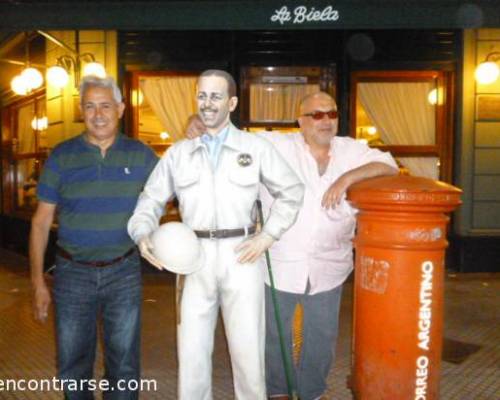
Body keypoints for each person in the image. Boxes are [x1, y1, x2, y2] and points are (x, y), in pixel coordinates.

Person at [186, 91, 399, 400]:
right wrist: (201, 124)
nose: (325, 120)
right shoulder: (277, 146)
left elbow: (389, 165)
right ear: (301, 121)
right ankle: (278, 392)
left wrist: (347, 178)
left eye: (332, 114)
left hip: (330, 265)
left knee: (322, 337)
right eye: (316, 115)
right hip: (280, 264)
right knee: (274, 336)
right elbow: (233, 140)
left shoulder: (352, 151)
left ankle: (312, 392)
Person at [127, 69, 304, 400]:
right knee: (191, 353)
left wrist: (268, 235)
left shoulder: (254, 147)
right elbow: (149, 200)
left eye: (216, 96)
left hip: (242, 256)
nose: (207, 104)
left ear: (232, 102)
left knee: (249, 353)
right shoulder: (179, 154)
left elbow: (292, 191)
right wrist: (142, 233)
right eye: (202, 95)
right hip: (192, 260)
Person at [30, 75, 158, 399]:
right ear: (81, 110)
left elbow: (180, 184)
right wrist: (37, 283)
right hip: (72, 273)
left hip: (123, 270)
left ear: (120, 108)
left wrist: (194, 140)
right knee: (72, 364)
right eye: (89, 106)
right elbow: (41, 222)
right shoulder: (62, 156)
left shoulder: (141, 156)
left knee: (125, 364)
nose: (98, 114)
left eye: (105, 106)